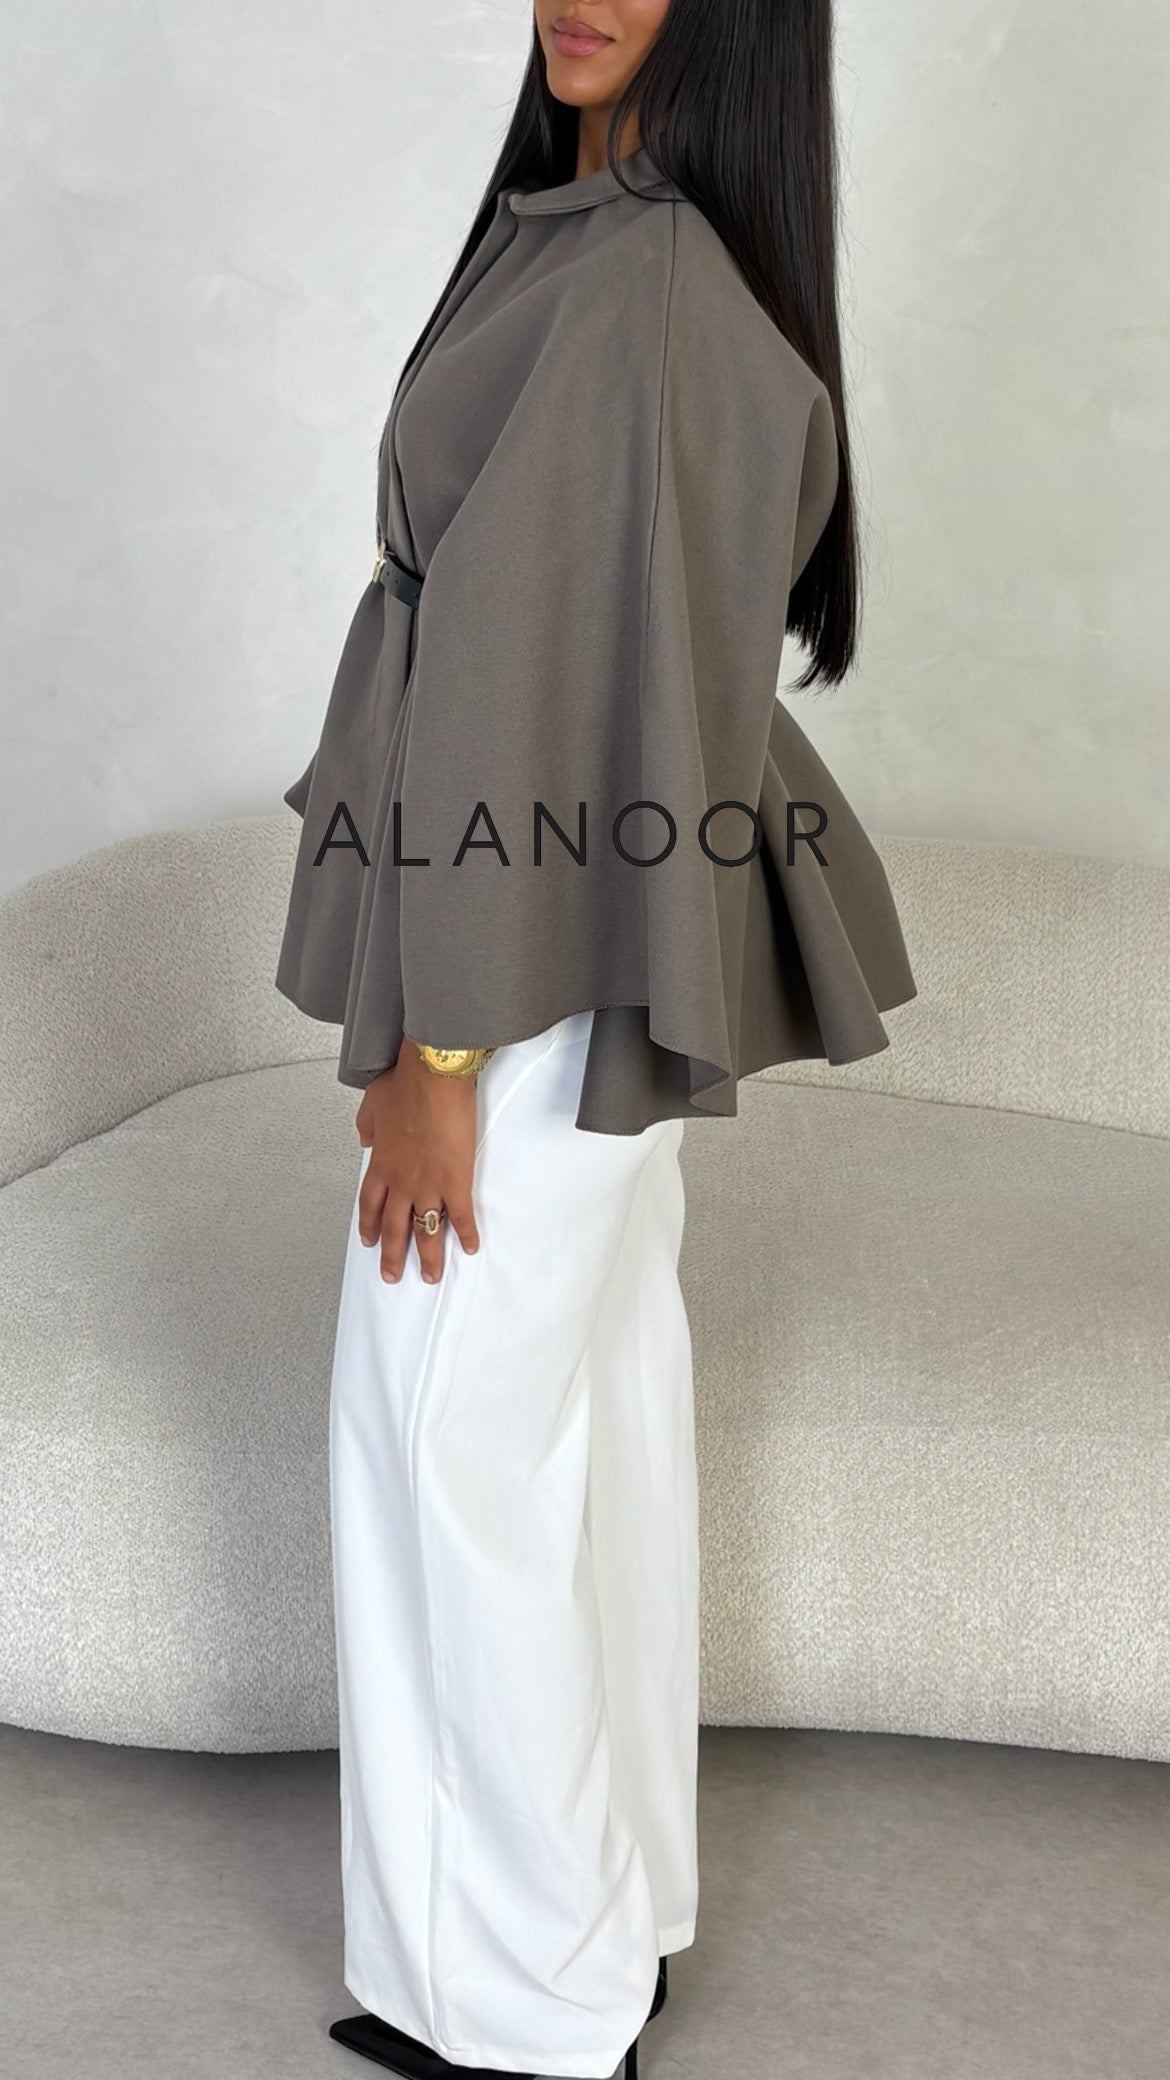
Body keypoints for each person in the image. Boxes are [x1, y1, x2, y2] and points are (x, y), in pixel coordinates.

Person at [274, 3, 917, 2076]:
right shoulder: (612, 246)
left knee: (445, 1448)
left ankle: (522, 2010)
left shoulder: (638, 286)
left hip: (522, 974)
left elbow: (528, 688)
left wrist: (438, 1056)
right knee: (588, 1426)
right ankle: (608, 1931)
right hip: (596, 943)